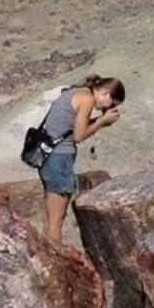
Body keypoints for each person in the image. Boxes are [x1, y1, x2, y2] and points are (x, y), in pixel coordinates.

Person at [39, 74, 125, 244]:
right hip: (59, 159)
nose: (107, 108)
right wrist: (101, 122)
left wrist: (100, 120)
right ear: (106, 93)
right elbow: (79, 135)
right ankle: (54, 260)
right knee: (56, 220)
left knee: (50, 218)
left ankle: (45, 252)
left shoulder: (78, 92)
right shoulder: (87, 99)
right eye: (112, 104)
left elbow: (75, 125)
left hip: (51, 157)